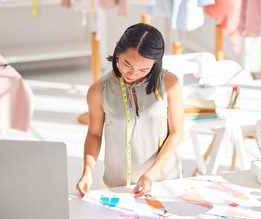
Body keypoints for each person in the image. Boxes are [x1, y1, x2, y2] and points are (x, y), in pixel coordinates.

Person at [76, 23, 184, 198]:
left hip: (165, 181)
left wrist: (151, 173)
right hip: (119, 186)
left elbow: (176, 132)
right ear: (118, 49)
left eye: (143, 69)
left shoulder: (170, 83)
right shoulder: (98, 91)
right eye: (127, 64)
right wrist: (87, 172)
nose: (133, 73)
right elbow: (94, 134)